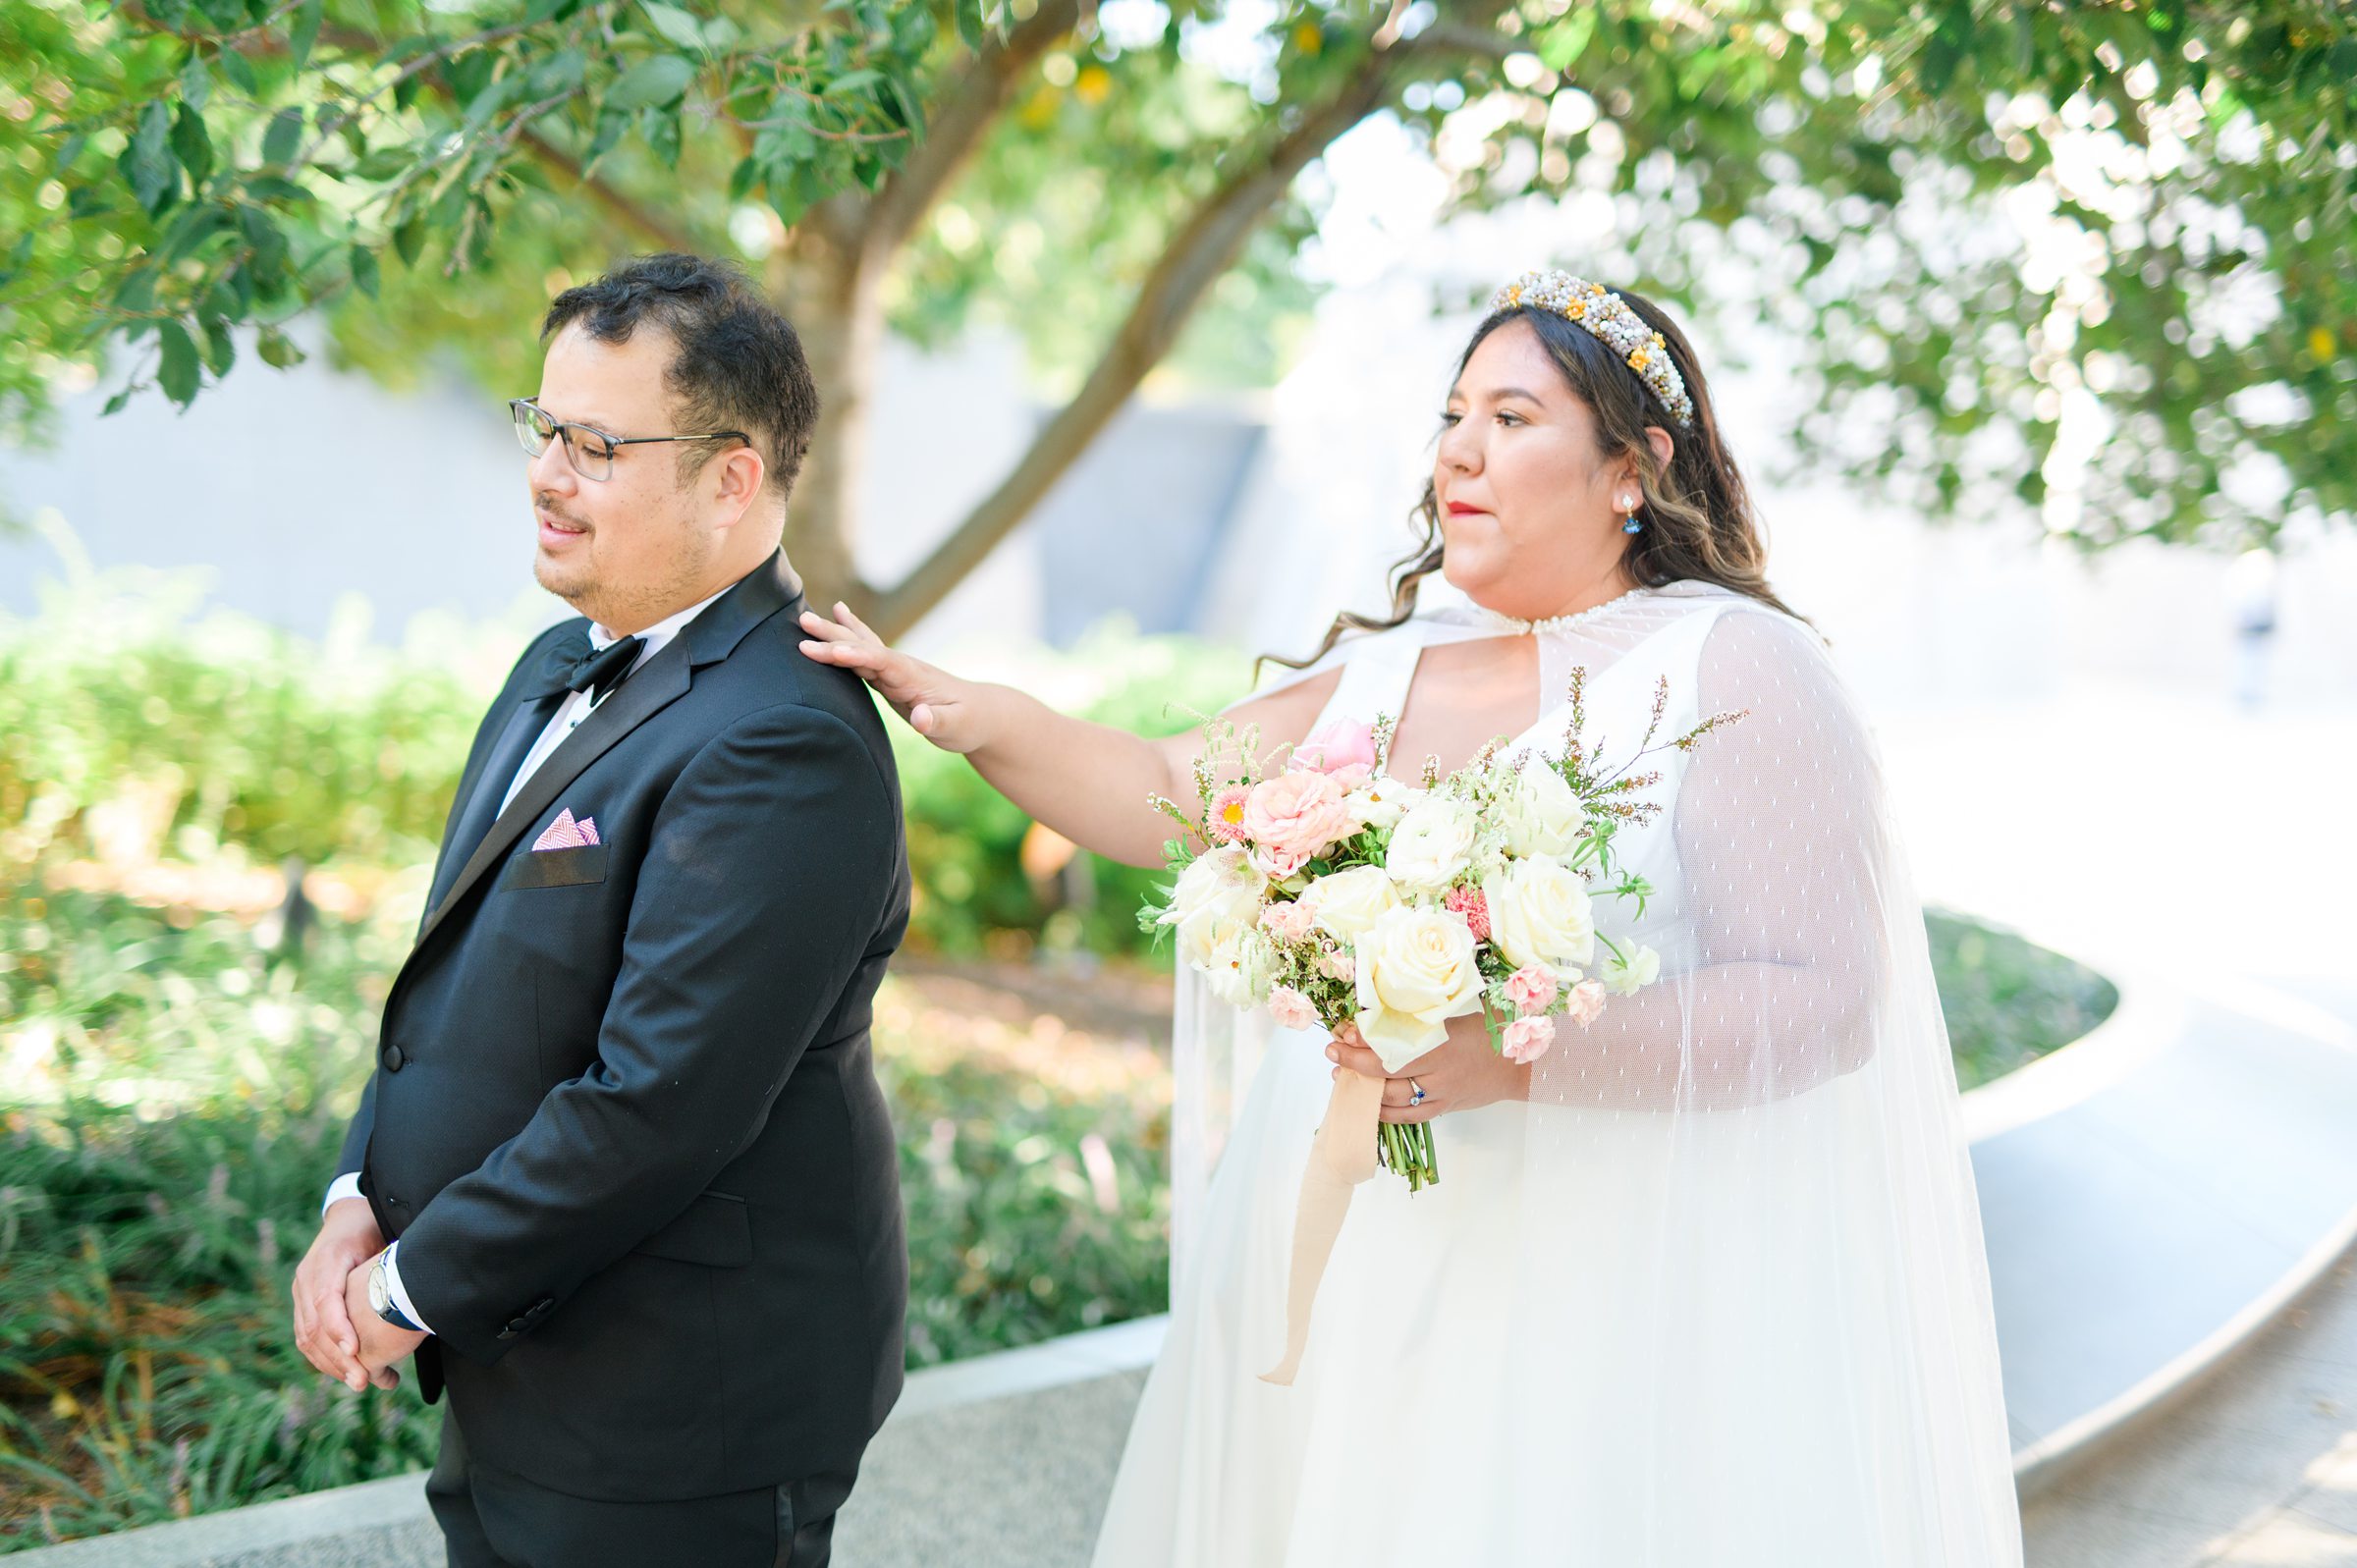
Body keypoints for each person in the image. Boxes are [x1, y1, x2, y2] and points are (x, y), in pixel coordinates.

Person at [799, 269, 2024, 1565]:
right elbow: (1169, 788)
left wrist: (1518, 1057)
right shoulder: (1384, 670)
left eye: (1510, 417)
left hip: (1588, 1292)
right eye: (1452, 416)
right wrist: (974, 712)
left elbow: (1818, 992)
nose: (1457, 448)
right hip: (1346, 1273)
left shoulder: (1734, 670)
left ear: (1634, 467)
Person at [289, 252, 910, 1568]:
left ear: (733, 476)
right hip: (530, 1361)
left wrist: (408, 1286)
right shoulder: (553, 664)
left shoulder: (783, 738)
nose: (546, 472)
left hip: (683, 1412)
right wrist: (364, 1195)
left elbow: (658, 1097)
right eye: (544, 426)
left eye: (596, 444)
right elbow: (459, 985)